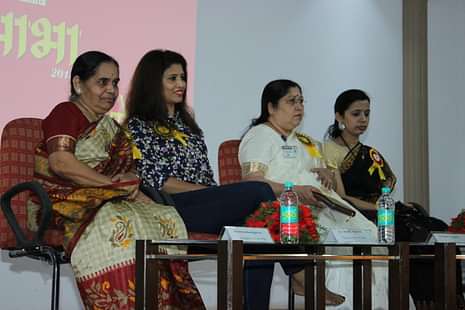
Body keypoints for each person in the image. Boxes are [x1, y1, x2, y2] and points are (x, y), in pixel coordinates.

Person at [28, 51, 206, 309]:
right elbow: (61, 163)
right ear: (78, 84)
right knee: (121, 222)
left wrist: (127, 182)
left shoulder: (110, 127)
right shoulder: (66, 112)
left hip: (105, 198)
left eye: (115, 83)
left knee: (163, 216)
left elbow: (129, 172)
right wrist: (111, 185)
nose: (111, 90)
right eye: (103, 82)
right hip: (63, 203)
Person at [239, 79, 416, 309]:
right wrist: (296, 191)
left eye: (301, 101)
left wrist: (327, 174)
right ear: (271, 107)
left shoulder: (305, 141)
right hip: (290, 210)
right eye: (292, 101)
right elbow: (253, 182)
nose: (299, 107)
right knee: (340, 242)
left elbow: (321, 175)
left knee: (371, 234)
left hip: (326, 205)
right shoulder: (260, 135)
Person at [125, 49, 277, 310]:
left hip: (201, 204)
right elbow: (156, 182)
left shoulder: (189, 128)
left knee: (257, 228)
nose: (181, 85)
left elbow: (206, 177)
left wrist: (211, 193)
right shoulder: (137, 126)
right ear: (153, 82)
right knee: (259, 190)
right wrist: (209, 192)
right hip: (168, 208)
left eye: (183, 77)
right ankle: (297, 270)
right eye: (172, 78)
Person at [323, 88, 464, 307]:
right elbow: (341, 197)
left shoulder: (368, 151)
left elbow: (385, 186)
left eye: (367, 113)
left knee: (436, 226)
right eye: (356, 113)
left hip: (382, 208)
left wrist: (395, 205)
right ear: (339, 116)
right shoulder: (329, 150)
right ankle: (423, 297)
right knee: (410, 231)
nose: (363, 119)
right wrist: (382, 208)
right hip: (357, 213)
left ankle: (447, 297)